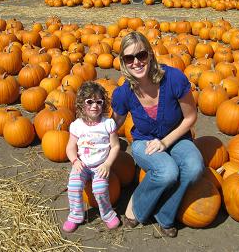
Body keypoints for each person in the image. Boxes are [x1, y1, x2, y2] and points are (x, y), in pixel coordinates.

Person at [111, 31, 204, 238]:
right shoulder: (123, 93)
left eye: (141, 55)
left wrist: (165, 141)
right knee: (167, 172)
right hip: (143, 141)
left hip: (177, 136)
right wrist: (91, 138)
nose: (136, 62)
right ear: (123, 62)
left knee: (194, 167)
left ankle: (165, 214)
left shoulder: (174, 78)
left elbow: (190, 117)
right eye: (129, 58)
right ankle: (137, 206)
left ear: (150, 55)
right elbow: (114, 125)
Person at [63, 81, 121, 233]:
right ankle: (76, 215)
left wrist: (108, 164)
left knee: (100, 189)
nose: (95, 105)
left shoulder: (108, 124)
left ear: (104, 104)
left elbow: (115, 146)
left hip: (100, 165)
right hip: (81, 164)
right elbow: (70, 147)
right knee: (74, 187)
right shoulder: (76, 125)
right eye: (90, 101)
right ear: (82, 104)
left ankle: (107, 214)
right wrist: (75, 161)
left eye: (99, 102)